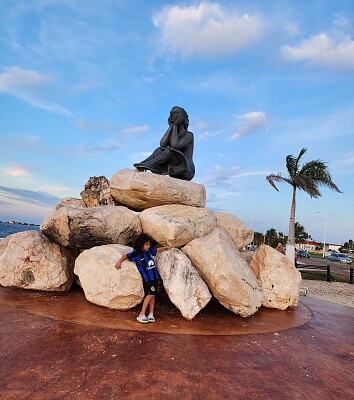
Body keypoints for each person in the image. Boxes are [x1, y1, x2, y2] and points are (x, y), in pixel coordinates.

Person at [115, 233, 172, 323]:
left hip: (154, 278)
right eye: (146, 244)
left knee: (152, 296)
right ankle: (141, 314)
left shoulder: (149, 251)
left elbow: (156, 250)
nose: (148, 246)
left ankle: (151, 314)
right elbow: (126, 256)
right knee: (150, 294)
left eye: (149, 244)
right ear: (141, 244)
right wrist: (119, 261)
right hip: (147, 279)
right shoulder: (137, 253)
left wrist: (165, 248)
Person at [133, 106, 195, 181]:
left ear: (181, 117)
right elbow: (162, 144)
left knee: (169, 151)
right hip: (175, 165)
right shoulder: (173, 134)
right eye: (171, 113)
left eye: (175, 113)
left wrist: (174, 126)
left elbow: (175, 146)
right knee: (159, 149)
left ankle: (150, 164)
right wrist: (171, 127)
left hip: (186, 169)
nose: (171, 115)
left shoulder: (189, 135)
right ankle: (146, 163)